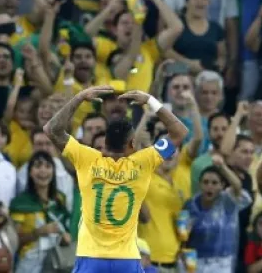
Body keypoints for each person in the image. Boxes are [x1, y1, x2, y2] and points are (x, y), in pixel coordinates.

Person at [43, 85, 188, 272]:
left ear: (104, 143)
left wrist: (79, 98)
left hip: (91, 257)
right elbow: (180, 132)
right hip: (126, 259)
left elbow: (52, 129)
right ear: (133, 143)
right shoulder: (143, 162)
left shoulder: (87, 159)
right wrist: (151, 101)